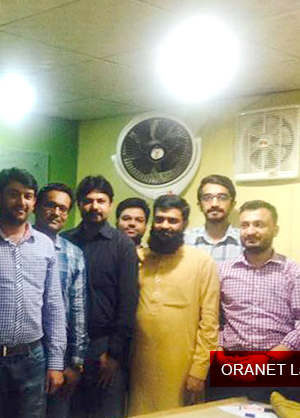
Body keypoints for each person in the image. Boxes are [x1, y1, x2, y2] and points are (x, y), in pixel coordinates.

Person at [0, 168, 66, 418]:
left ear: (34, 202)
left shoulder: (45, 245)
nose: (21, 202)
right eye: (13, 194)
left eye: (28, 196)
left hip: (33, 358)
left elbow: (54, 307)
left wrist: (56, 363)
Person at [214, 200, 300, 403]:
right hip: (232, 369)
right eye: (245, 225)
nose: (250, 231)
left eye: (259, 224)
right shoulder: (223, 271)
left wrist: (268, 360)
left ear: (275, 230)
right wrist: (220, 355)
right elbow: (214, 318)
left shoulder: (295, 273)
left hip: (281, 369)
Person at [128, 195, 219, 414]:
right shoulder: (139, 258)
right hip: (138, 365)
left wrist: (199, 371)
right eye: (159, 219)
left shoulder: (202, 262)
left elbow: (209, 323)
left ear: (184, 224)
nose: (164, 226)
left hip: (181, 368)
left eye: (172, 220)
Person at [62, 175, 138, 418]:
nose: (94, 206)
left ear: (110, 204)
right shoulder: (65, 241)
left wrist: (114, 354)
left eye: (101, 201)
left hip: (105, 346)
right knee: (71, 412)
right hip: (68, 344)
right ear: (79, 204)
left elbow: (128, 302)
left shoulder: (122, 245)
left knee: (106, 412)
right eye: (88, 201)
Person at [33, 183, 88, 418]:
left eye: (63, 209)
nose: (56, 213)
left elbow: (78, 310)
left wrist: (76, 362)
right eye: (51, 205)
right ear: (36, 206)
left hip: (61, 356)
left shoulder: (73, 253)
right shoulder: (19, 245)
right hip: (25, 354)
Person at [184, 175, 242, 264]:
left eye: (222, 198)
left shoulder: (244, 241)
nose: (214, 204)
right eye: (207, 198)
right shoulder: (185, 240)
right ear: (199, 205)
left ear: (232, 204)